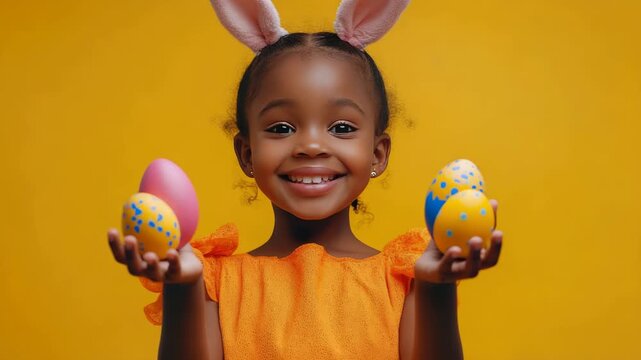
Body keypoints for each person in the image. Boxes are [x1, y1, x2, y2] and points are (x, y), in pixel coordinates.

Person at [107, 1, 503, 359]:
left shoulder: (405, 279)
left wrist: (437, 288)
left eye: (342, 127)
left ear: (377, 154)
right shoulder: (214, 284)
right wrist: (180, 289)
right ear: (247, 154)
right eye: (281, 127)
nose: (311, 145)